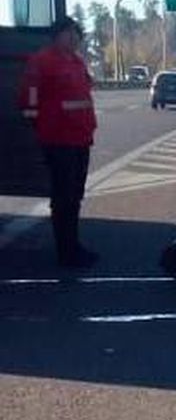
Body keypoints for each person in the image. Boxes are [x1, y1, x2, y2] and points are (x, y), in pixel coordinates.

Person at [18, 17, 99, 267]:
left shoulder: (77, 62)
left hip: (80, 138)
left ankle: (73, 246)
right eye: (68, 33)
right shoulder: (42, 61)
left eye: (76, 34)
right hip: (59, 139)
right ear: (56, 36)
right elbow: (29, 98)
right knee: (64, 197)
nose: (73, 38)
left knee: (74, 196)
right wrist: (40, 126)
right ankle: (66, 252)